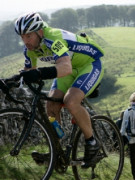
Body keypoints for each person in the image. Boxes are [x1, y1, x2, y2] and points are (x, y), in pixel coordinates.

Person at [14, 12, 104, 168]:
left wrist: (40, 73)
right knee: (51, 104)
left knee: (71, 101)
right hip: (68, 70)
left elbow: (65, 67)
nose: (25, 41)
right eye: (22, 37)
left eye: (29, 36)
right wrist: (10, 81)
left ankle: (92, 142)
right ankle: (56, 149)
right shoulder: (29, 49)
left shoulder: (53, 38)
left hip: (88, 65)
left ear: (39, 32)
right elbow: (29, 71)